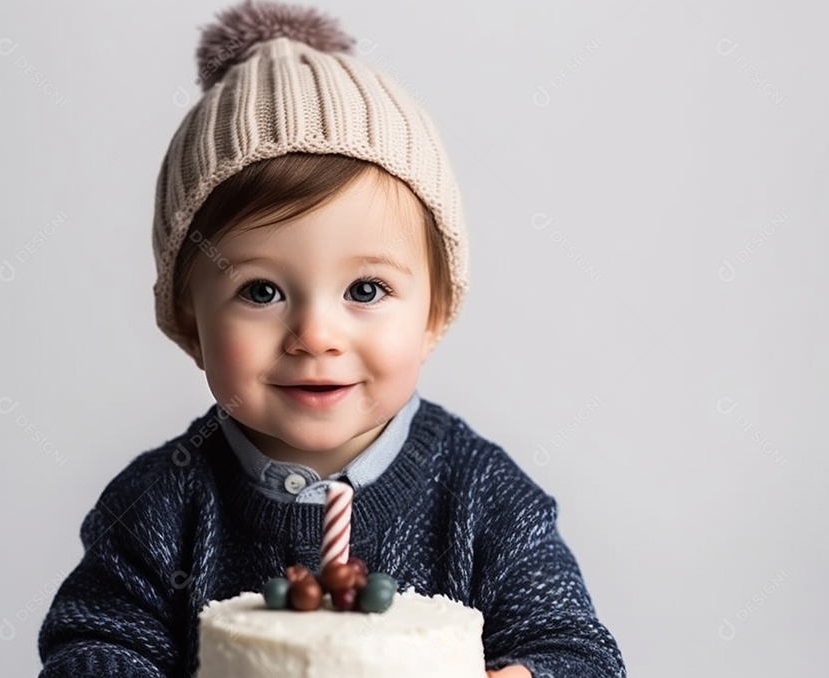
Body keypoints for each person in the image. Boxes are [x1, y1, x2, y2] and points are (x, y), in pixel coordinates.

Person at [37, 1, 626, 676]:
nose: (315, 335)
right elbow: (91, 646)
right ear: (190, 322)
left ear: (434, 315)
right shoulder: (159, 506)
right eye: (261, 291)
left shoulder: (484, 498)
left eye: (365, 290)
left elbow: (577, 652)